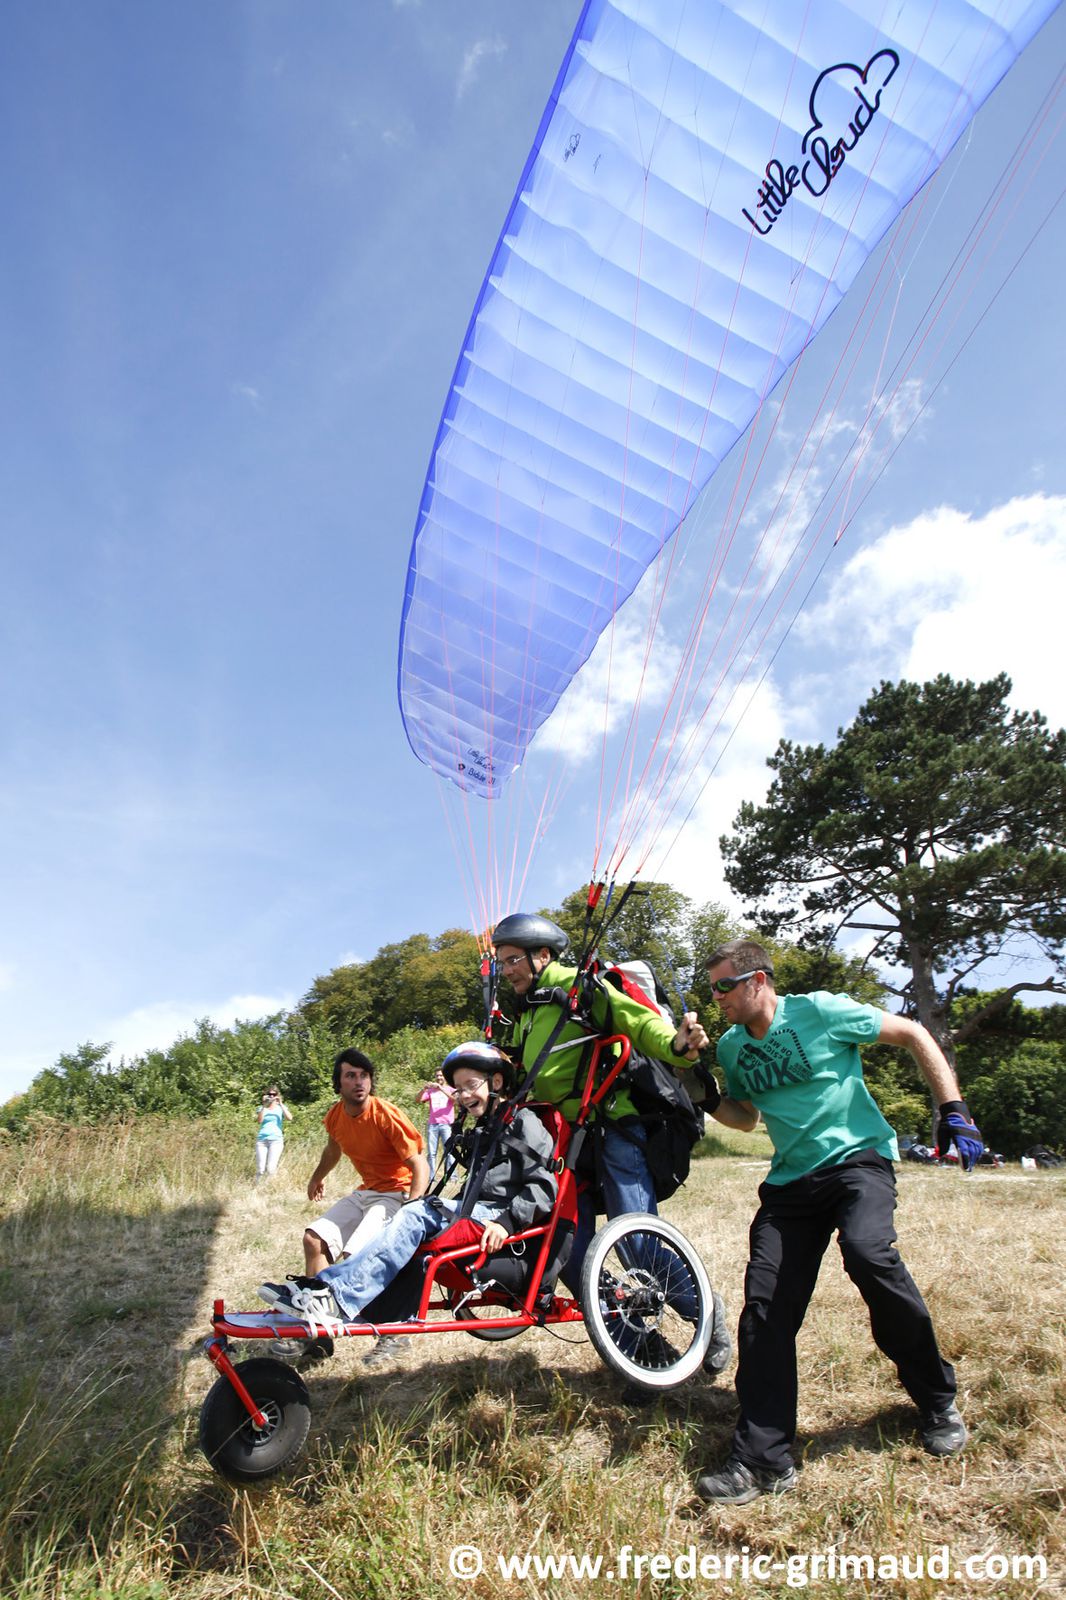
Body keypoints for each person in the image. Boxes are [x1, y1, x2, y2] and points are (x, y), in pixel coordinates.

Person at [694, 939, 984, 1506]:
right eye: (712, 989)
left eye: (724, 986)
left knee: (870, 1254)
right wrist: (701, 1092)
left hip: (857, 1163)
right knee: (765, 1307)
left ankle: (935, 1398)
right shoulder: (731, 1047)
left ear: (758, 981)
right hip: (789, 1186)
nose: (716, 999)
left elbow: (914, 1033)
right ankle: (763, 1459)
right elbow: (746, 1119)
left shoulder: (820, 1011)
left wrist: (953, 1108)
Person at [491, 911, 732, 1382]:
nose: (508, 970)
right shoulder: (527, 1014)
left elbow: (638, 1023)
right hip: (565, 1143)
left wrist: (677, 1044)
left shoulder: (583, 990)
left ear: (543, 956)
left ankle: (707, 1313)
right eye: (502, 963)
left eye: (514, 960)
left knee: (637, 1242)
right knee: (569, 1253)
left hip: (613, 1128)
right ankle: (641, 1349)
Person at [258, 1041, 556, 1328]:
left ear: (498, 1081)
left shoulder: (523, 1121)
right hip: (476, 1212)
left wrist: (506, 1222)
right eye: (459, 1088)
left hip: (501, 1217)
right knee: (414, 1215)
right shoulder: (485, 1127)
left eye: (472, 1085)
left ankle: (336, 1296)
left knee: (414, 1213)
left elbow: (544, 1188)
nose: (464, 1095)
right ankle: (333, 1294)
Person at [287, 1047, 429, 1366]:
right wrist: (317, 1177)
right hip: (367, 1192)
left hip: (396, 1194)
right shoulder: (335, 1116)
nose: (359, 1081)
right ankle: (320, 1336)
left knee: (355, 1256)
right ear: (338, 1084)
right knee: (314, 1239)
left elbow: (420, 1164)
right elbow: (332, 1150)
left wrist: (413, 1208)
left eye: (364, 1075)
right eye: (350, 1076)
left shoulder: (385, 1113)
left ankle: (393, 1333)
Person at [418, 1067, 457, 1174]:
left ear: (445, 1077)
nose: (439, 1077)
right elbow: (418, 1100)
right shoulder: (430, 1091)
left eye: (441, 1075)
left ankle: (452, 1176)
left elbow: (455, 1100)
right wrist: (424, 1089)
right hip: (433, 1124)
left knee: (449, 1151)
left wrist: (441, 1088)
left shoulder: (450, 1089)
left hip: (447, 1124)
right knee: (431, 1153)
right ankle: (431, 1176)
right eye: (437, 1075)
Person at [254, 1086, 292, 1181]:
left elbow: (289, 1118)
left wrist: (281, 1103)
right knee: (260, 1169)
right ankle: (257, 1188)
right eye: (269, 1094)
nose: (271, 1096)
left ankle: (269, 1187)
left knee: (271, 1168)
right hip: (262, 1140)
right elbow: (260, 1120)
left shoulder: (280, 1108)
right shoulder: (262, 1108)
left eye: (274, 1094)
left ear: (277, 1095)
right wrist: (264, 1105)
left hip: (276, 1140)